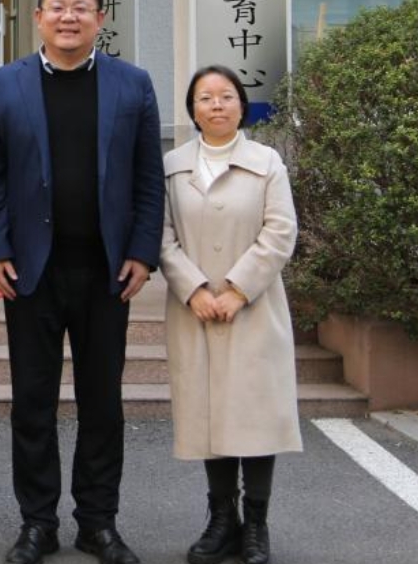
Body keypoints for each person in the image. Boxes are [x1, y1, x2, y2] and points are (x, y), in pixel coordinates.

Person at [0, 0, 166, 564]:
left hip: (107, 272)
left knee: (102, 403)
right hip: (30, 273)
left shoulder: (132, 85)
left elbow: (148, 178)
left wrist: (143, 252)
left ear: (99, 18)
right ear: (37, 17)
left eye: (80, 7)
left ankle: (97, 522)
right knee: (32, 403)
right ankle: (37, 523)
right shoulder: (5, 85)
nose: (68, 17)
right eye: (57, 7)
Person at [158, 65, 300, 564]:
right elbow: (161, 235)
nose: (216, 105)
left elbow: (280, 231)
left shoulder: (267, 162)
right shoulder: (173, 166)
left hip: (254, 310)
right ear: (192, 111)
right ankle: (222, 520)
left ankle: (256, 524)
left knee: (254, 414)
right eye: (205, 98)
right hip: (194, 311)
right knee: (209, 414)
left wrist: (239, 290)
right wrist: (193, 288)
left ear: (241, 105)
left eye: (226, 96)